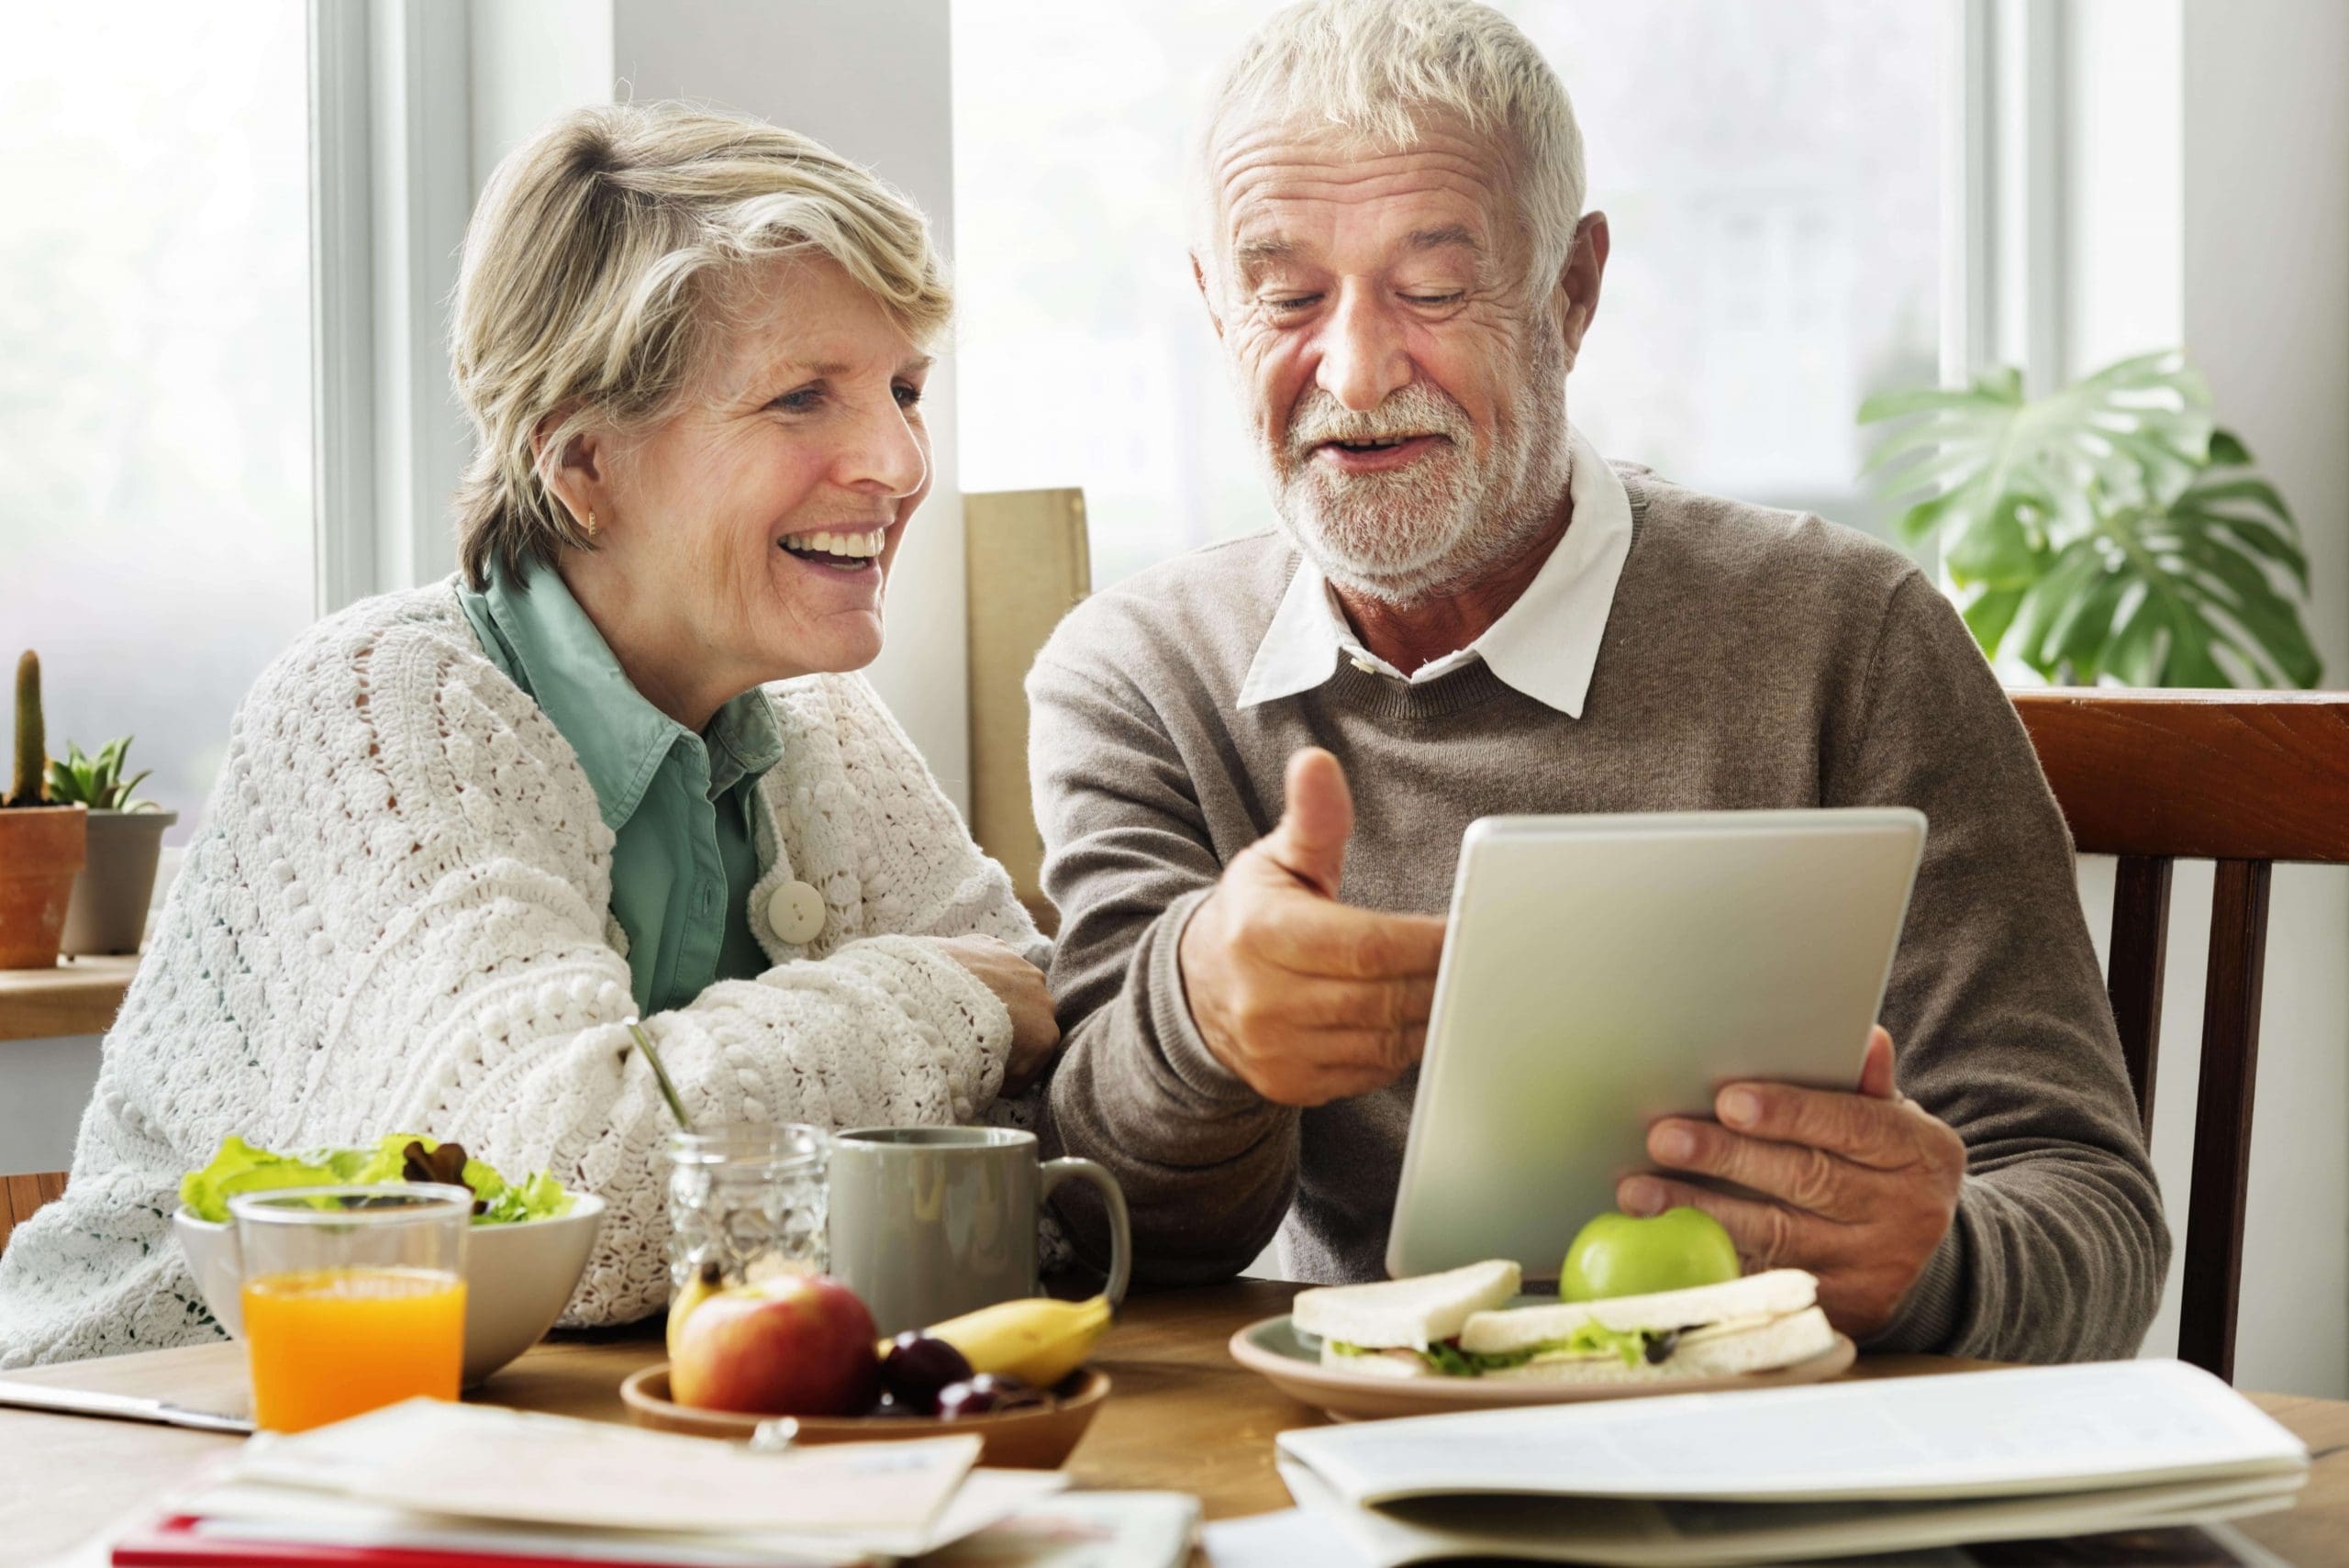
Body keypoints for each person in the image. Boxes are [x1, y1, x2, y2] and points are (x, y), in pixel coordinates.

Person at [1030, 0, 2165, 1361]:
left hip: (1779, 1464)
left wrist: (1935, 1260)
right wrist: (1198, 1016)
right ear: (1216, 305)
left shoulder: (1851, 636)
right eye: (1285, 294)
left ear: (1572, 292)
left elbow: (2095, 1215)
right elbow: (1105, 1239)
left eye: (1433, 288)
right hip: (1344, 1449)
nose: (1354, 368)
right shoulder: (1142, 676)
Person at [0, 104, 1056, 1367]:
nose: (897, 458)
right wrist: (943, 996)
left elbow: (1057, 1089)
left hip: (557, 1440)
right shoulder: (377, 707)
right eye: (798, 399)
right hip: (138, 1441)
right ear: (582, 465)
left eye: (902, 388)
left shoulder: (822, 727)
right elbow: (556, 1187)